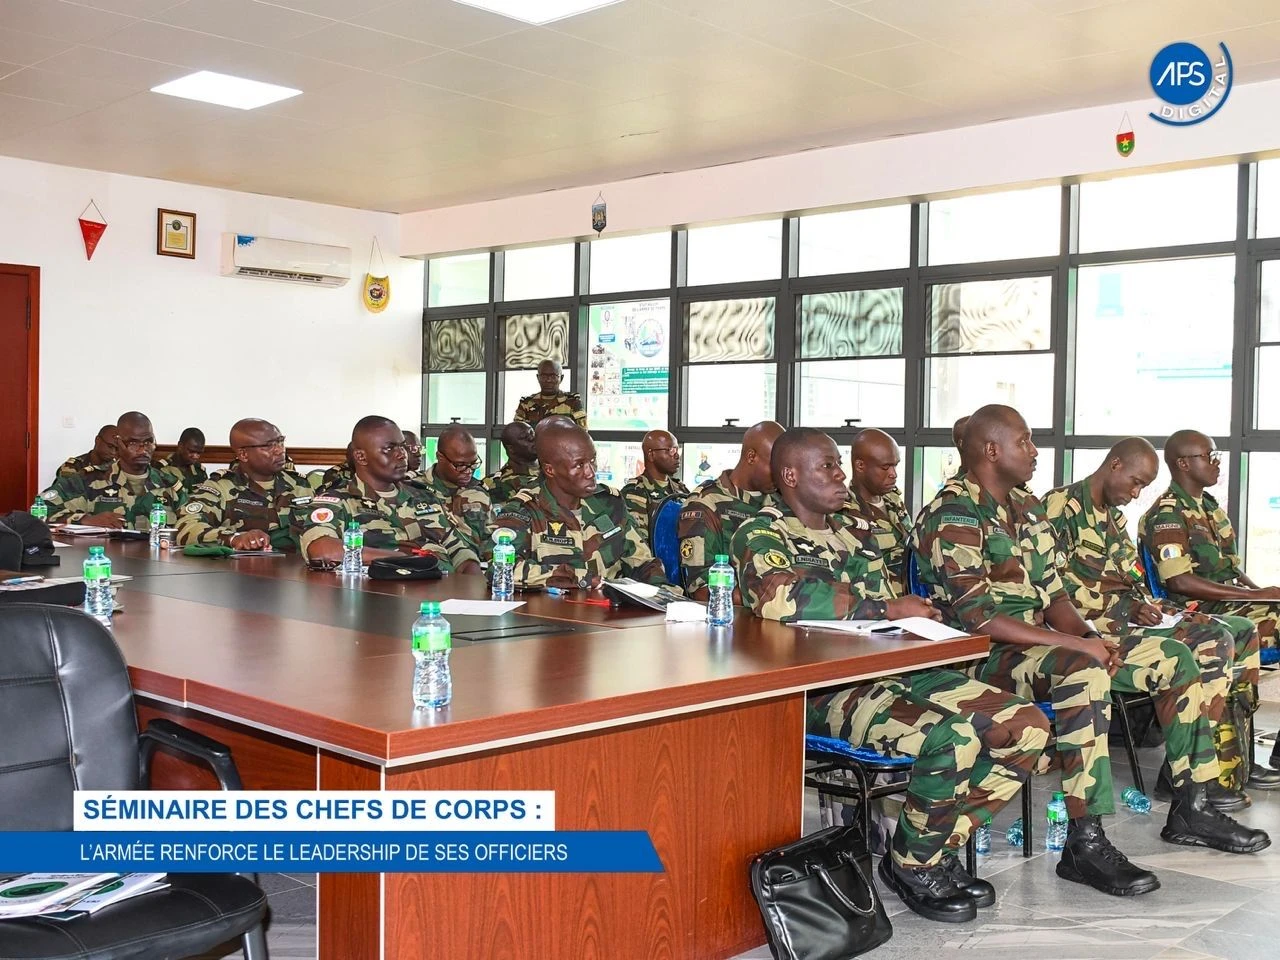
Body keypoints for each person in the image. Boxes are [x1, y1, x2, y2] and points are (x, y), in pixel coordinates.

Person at [914, 405, 1266, 898]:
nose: (1035, 451)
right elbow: (980, 618)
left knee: (1175, 657)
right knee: (1084, 669)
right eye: (1025, 442)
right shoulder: (953, 512)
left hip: (1045, 645)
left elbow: (1057, 597)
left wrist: (1090, 637)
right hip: (987, 655)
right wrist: (1080, 645)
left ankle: (1193, 805)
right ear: (992, 450)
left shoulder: (1026, 508)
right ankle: (1086, 839)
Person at [732, 427, 1049, 922]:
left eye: (840, 464)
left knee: (1026, 725)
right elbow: (779, 599)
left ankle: (918, 851)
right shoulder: (761, 531)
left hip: (888, 670)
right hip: (822, 689)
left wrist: (916, 618)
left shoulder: (851, 532)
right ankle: (919, 863)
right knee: (953, 737)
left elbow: (882, 615)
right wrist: (884, 606)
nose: (841, 475)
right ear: (790, 476)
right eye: (828, 467)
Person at [1045, 438, 1274, 803]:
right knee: (1215, 642)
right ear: (1115, 465)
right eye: (1135, 482)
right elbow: (1053, 588)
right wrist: (1126, 609)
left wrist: (1155, 607)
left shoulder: (1114, 518)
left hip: (1132, 620)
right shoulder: (1060, 508)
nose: (1136, 494)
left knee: (1240, 631)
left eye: (1143, 487)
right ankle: (1187, 773)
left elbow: (1130, 581)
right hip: (1091, 630)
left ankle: (1227, 758)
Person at [1139, 429, 1280, 778]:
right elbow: (1179, 582)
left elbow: (1232, 569)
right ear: (1183, 463)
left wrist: (1261, 591)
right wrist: (1254, 597)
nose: (1217, 462)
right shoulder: (1168, 514)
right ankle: (1228, 759)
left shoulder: (1210, 508)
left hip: (1228, 602)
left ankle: (1245, 759)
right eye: (1210, 455)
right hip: (1194, 611)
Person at [493, 423, 672, 590]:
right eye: (579, 465)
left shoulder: (610, 503)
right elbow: (501, 569)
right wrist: (579, 578)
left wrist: (664, 595)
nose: (591, 472)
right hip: (553, 617)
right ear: (550, 470)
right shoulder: (524, 510)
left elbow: (642, 561)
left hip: (610, 616)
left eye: (592, 461)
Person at [298, 416, 480, 573]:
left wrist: (473, 583)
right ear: (361, 457)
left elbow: (460, 551)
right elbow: (322, 550)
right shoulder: (337, 501)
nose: (402, 455)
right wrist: (400, 558)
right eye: (389, 448)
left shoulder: (424, 497)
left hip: (442, 595)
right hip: (381, 600)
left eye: (402, 447)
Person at [678, 421, 783, 600]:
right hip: (736, 617)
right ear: (751, 457)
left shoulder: (781, 501)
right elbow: (702, 590)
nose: (782, 474)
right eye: (775, 466)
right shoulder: (705, 504)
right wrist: (771, 597)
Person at [175, 419, 311, 552]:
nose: (280, 450)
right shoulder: (221, 488)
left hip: (298, 571)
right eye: (269, 445)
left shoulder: (300, 485)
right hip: (243, 571)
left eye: (280, 442)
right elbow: (186, 526)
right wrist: (233, 538)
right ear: (243, 454)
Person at [42, 411, 181, 530]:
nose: (143, 449)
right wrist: (85, 520)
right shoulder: (88, 480)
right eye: (133, 443)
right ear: (118, 443)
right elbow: (40, 510)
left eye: (148, 442)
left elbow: (194, 520)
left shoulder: (170, 485)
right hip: (104, 559)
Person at [841, 428, 910, 592]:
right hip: (879, 605)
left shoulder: (893, 501)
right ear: (860, 466)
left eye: (895, 465)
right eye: (885, 467)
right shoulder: (844, 511)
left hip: (911, 598)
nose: (894, 474)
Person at [417, 425, 492, 560]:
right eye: (460, 465)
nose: (469, 470)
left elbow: (489, 539)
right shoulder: (414, 489)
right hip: (429, 569)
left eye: (473, 463)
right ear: (440, 457)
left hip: (472, 569)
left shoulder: (479, 493)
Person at [620, 429, 689, 541]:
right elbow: (637, 541)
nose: (676, 456)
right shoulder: (635, 492)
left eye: (677, 450)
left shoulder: (681, 489)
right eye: (670, 450)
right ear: (651, 455)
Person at [513, 360, 587, 428]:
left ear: (561, 378)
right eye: (544, 376)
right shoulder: (526, 404)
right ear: (538, 378)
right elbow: (518, 432)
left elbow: (582, 432)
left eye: (553, 376)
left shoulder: (572, 402)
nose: (548, 380)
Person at [483, 421, 540, 509]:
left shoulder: (550, 469)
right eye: (524, 437)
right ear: (511, 449)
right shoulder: (499, 484)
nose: (532, 438)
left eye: (532, 432)